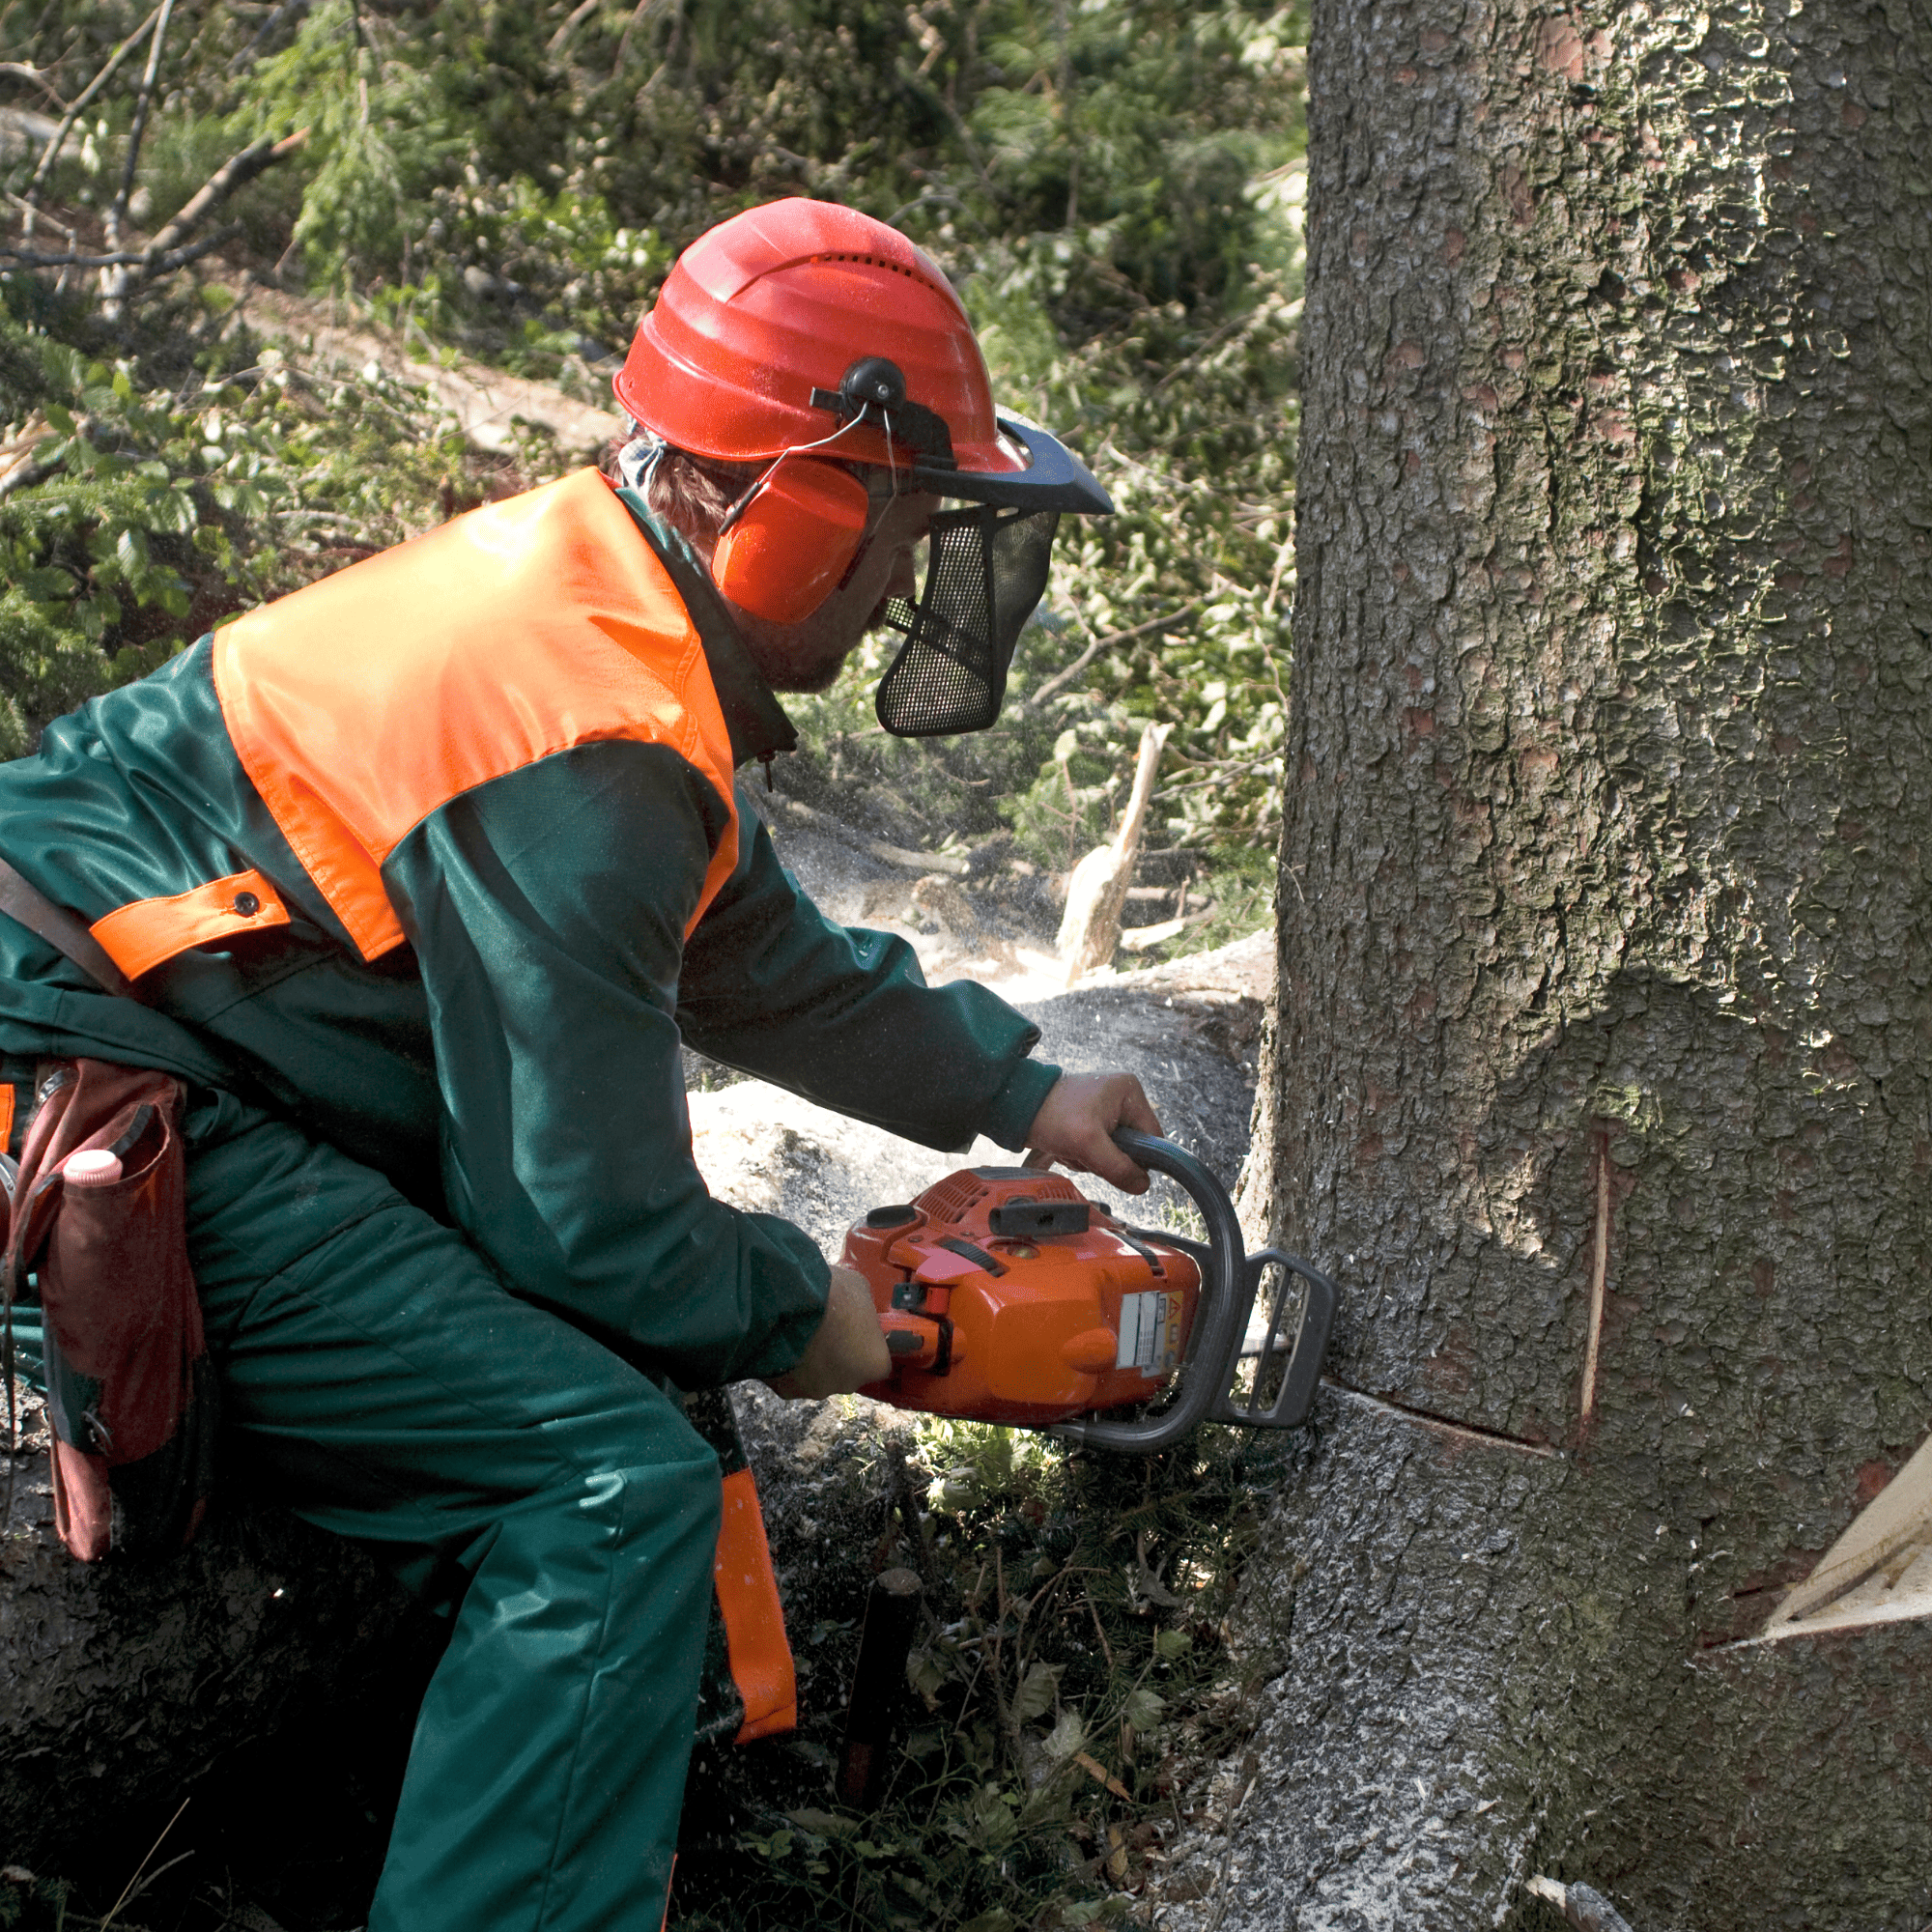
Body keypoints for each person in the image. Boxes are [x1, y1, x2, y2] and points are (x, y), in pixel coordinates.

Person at [0, 197, 1161, 1929]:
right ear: (804, 507)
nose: (908, 588)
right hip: (96, 1090)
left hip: (159, 1041)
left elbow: (753, 958)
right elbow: (585, 1224)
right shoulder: (589, 737)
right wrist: (825, 1319)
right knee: (609, 1488)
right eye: (906, 528)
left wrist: (1023, 1092)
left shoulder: (599, 614)